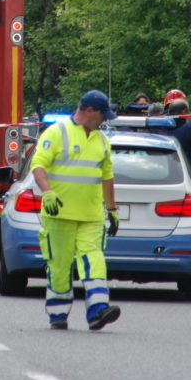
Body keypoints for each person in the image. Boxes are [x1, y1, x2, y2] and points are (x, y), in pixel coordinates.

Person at [30, 89, 121, 331]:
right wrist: (47, 191)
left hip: (91, 216)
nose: (105, 120)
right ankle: (58, 314)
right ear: (89, 111)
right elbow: (38, 165)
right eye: (103, 115)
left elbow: (107, 176)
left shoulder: (102, 140)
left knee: (94, 258)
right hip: (59, 215)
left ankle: (98, 310)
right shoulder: (57, 132)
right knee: (59, 266)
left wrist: (112, 209)